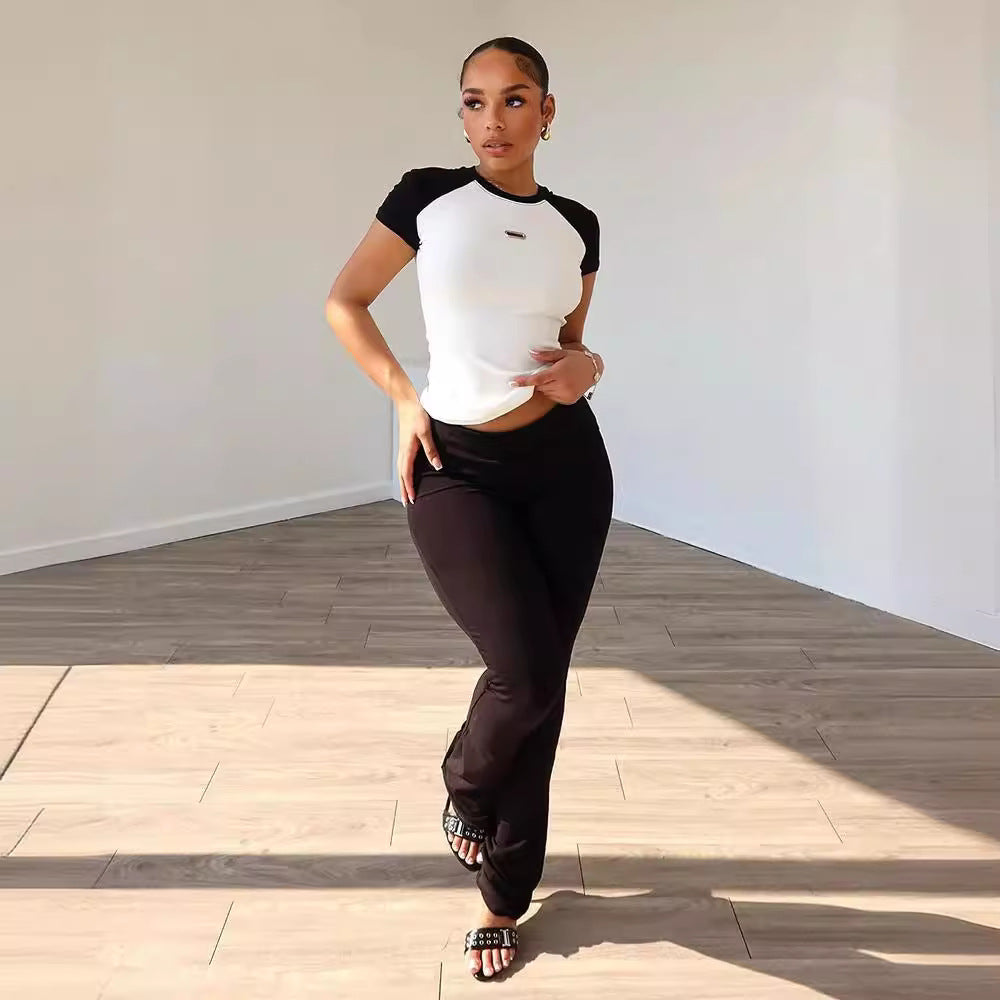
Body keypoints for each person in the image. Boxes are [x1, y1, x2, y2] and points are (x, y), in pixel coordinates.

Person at [325, 36, 613, 982]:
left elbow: (571, 344)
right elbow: (346, 301)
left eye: (515, 99)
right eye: (475, 100)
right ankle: (465, 782)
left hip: (567, 467)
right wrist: (404, 399)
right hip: (456, 464)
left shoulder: (577, 225)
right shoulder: (426, 198)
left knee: (544, 684)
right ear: (460, 114)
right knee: (521, 674)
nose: (493, 119)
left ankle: (503, 896)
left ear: (547, 112)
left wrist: (591, 365)